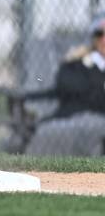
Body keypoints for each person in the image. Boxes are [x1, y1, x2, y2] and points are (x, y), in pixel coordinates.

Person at [23, 14, 105, 156]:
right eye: (100, 34)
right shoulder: (75, 65)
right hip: (74, 117)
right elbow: (71, 87)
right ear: (94, 39)